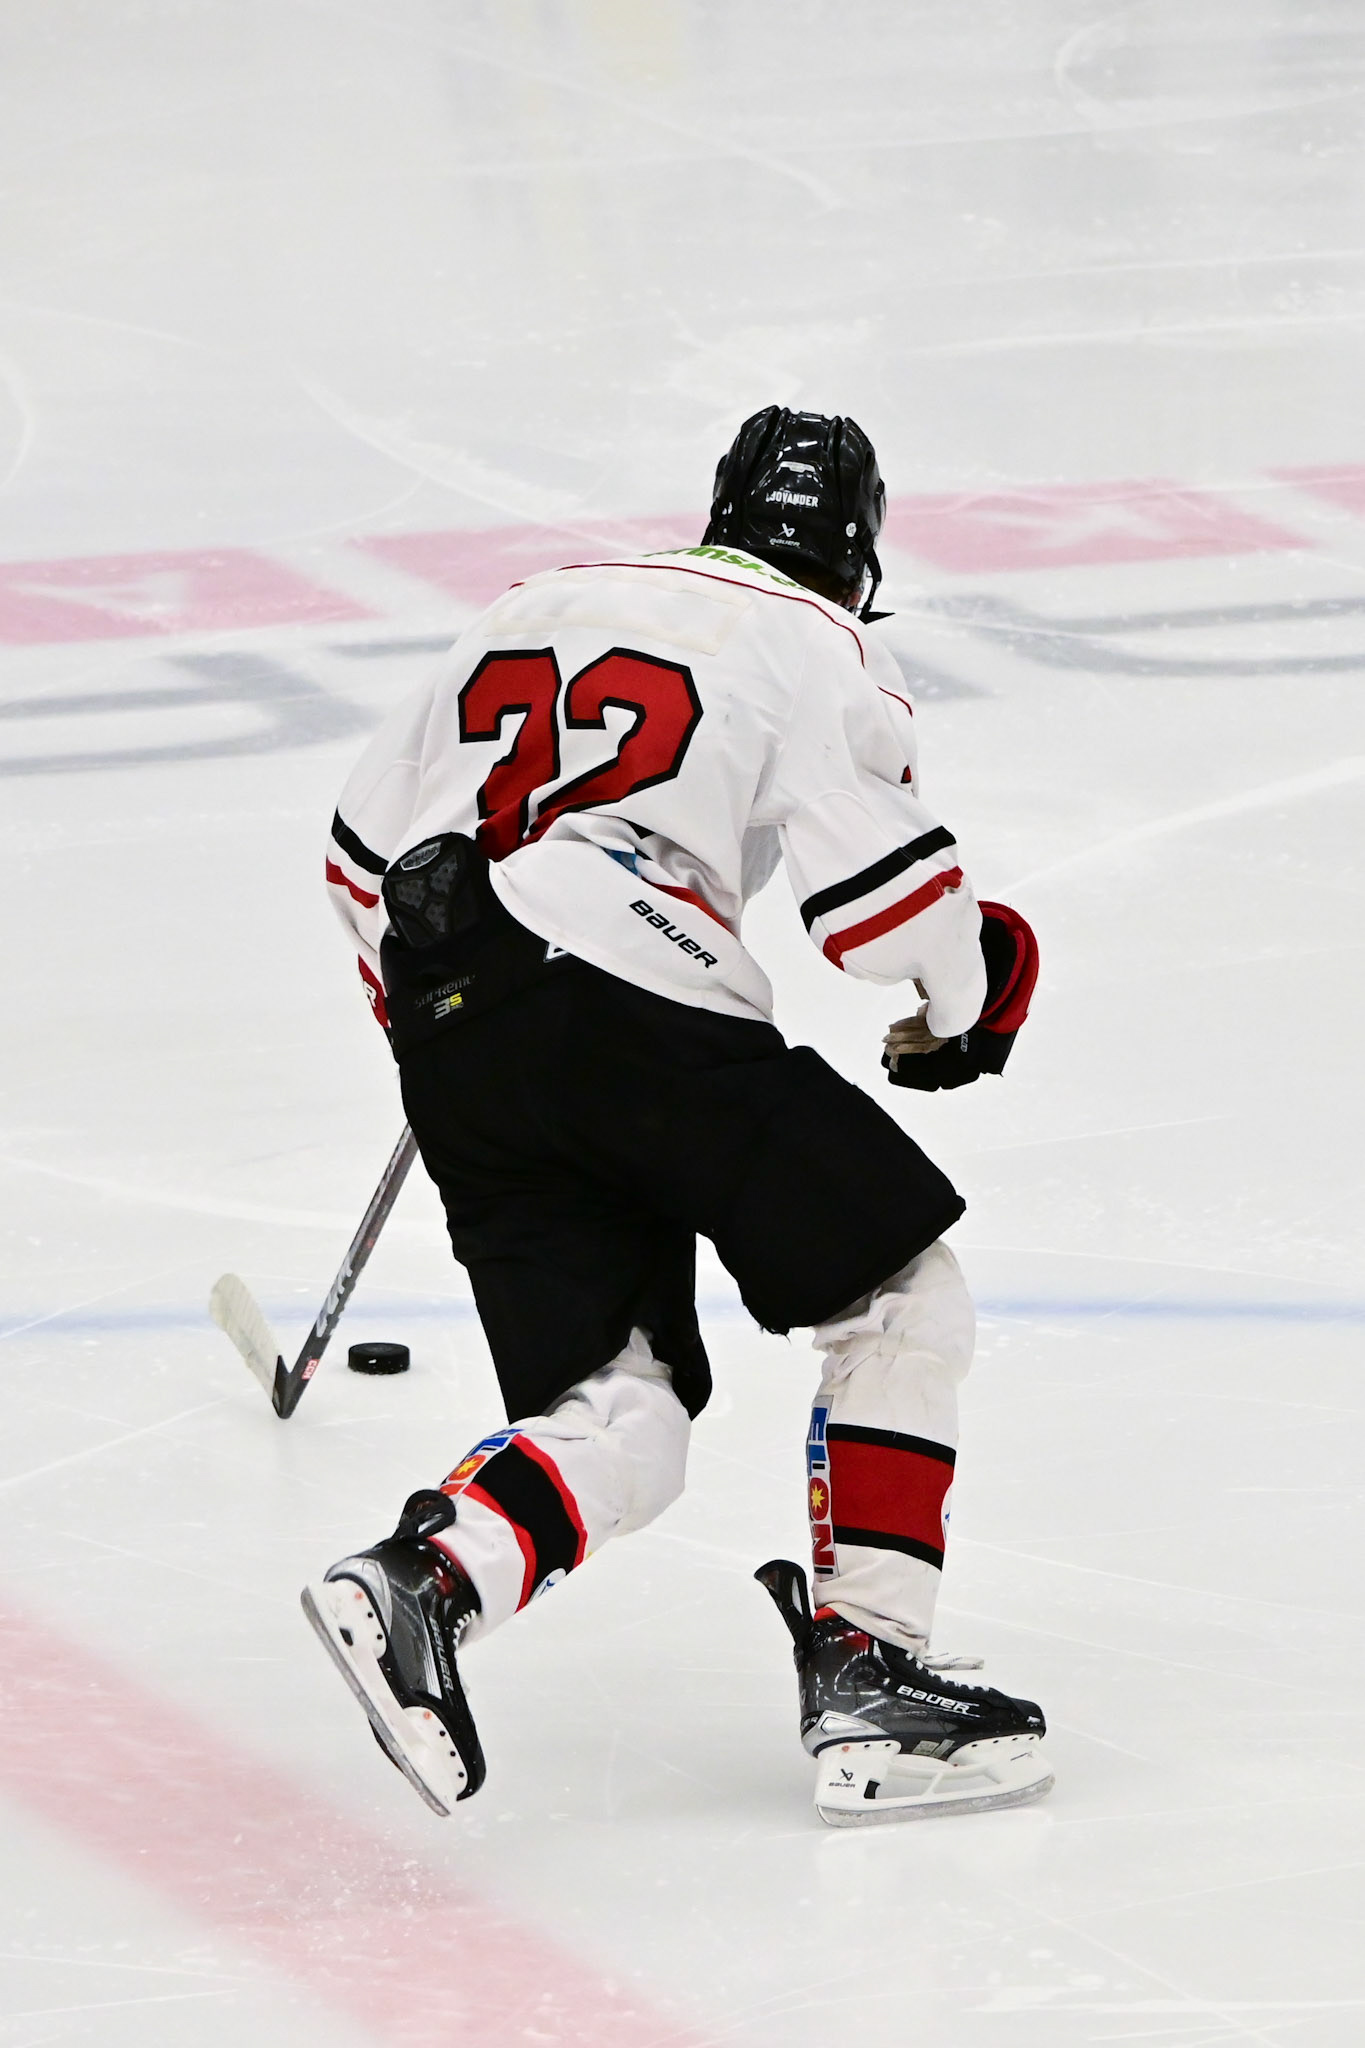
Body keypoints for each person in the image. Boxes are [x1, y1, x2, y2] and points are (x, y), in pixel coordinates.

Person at [304, 406, 1052, 1827]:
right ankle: (870, 1674)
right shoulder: (818, 640)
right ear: (858, 560)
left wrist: (454, 1023)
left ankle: (423, 1583)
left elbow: (359, 861)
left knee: (620, 1409)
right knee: (901, 1299)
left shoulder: (530, 604)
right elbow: (881, 911)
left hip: (458, 1023)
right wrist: (971, 994)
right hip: (640, 1003)